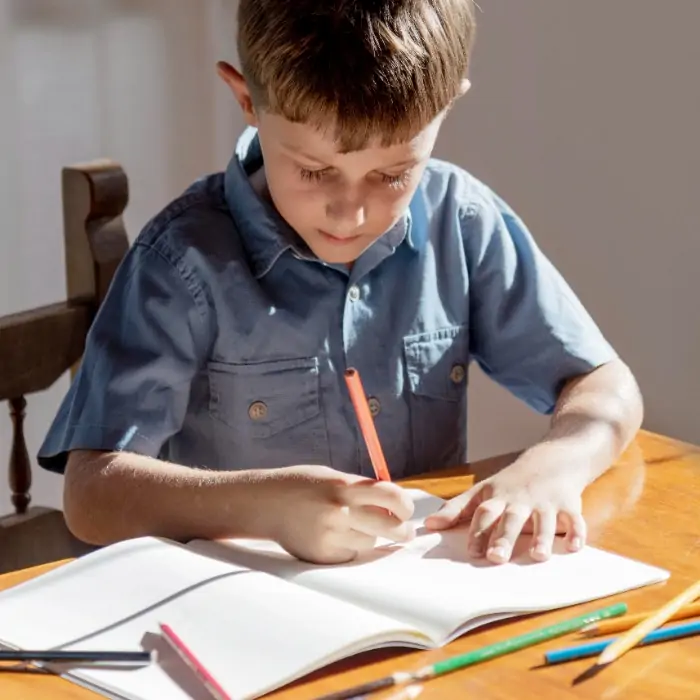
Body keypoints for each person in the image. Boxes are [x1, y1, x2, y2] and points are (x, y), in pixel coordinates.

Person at [38, 0, 643, 567]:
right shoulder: (183, 261)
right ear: (246, 99)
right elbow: (91, 495)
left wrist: (554, 465)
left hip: (410, 599)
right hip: (229, 613)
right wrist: (262, 507)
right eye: (314, 170)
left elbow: (605, 386)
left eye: (392, 173)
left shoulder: (461, 221)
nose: (350, 213)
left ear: (445, 110)